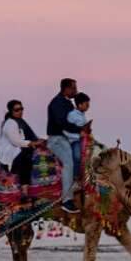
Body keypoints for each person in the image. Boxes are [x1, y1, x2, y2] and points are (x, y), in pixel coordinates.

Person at [46, 78, 85, 214]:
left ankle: (77, 183)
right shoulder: (57, 103)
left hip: (67, 138)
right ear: (67, 89)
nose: (76, 91)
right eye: (74, 88)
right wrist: (79, 130)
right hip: (57, 139)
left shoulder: (67, 103)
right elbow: (63, 123)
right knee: (68, 163)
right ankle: (66, 200)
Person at [0, 99, 43, 200]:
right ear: (11, 111)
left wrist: (40, 141)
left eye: (21, 109)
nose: (20, 111)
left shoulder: (21, 122)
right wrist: (31, 143)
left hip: (21, 148)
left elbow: (30, 136)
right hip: (11, 154)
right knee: (25, 159)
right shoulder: (10, 124)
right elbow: (16, 141)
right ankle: (24, 191)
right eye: (17, 110)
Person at [66, 93, 91, 180]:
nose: (88, 106)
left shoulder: (82, 115)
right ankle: (75, 177)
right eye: (86, 104)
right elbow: (67, 131)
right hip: (74, 141)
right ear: (80, 105)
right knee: (77, 156)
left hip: (83, 140)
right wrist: (79, 135)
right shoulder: (72, 115)